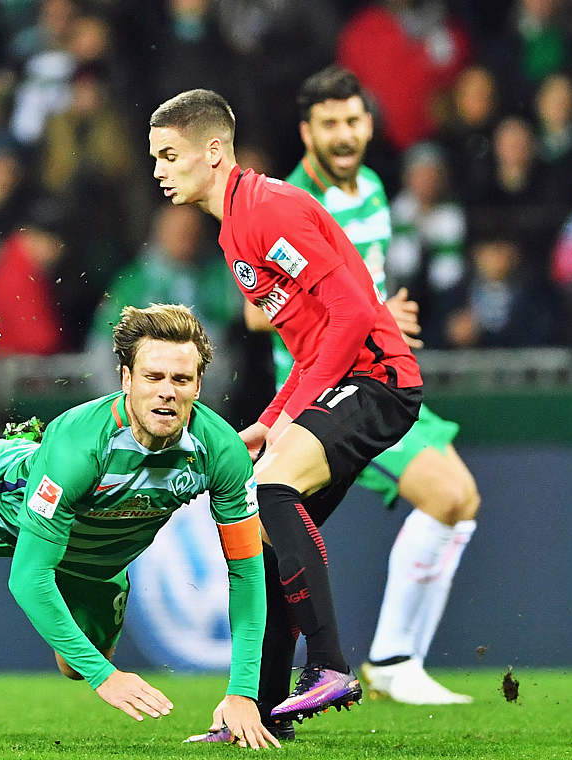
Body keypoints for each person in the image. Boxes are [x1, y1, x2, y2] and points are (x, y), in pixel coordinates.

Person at [0, 256, 280, 750]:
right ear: (126, 379)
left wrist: (243, 692)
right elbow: (28, 577)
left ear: (199, 386)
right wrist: (106, 677)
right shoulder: (81, 445)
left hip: (95, 563)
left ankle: (84, 573)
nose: (166, 393)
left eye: (181, 381)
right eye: (153, 377)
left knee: (72, 666)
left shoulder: (220, 451)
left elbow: (247, 571)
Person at [147, 88, 423, 729]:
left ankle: (329, 666)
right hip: (343, 377)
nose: (158, 170)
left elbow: (354, 314)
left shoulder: (269, 209)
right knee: (269, 542)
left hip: (377, 377)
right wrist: (271, 421)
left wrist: (289, 419)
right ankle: (262, 711)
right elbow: (308, 342)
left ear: (213, 152)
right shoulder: (235, 231)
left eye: (168, 155)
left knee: (270, 487)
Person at [258, 66, 478, 704]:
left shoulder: (375, 188)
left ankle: (382, 662)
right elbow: (257, 303)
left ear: (369, 124)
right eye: (328, 123)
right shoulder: (292, 200)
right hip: (329, 387)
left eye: (352, 119)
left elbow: (360, 286)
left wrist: (380, 310)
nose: (344, 133)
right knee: (447, 496)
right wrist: (364, 313)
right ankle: (385, 659)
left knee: (461, 503)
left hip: (379, 366)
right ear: (307, 131)